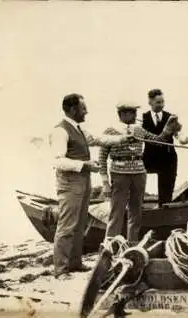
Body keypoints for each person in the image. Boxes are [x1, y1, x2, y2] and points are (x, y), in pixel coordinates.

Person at [50, 93, 129, 280]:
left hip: (83, 182)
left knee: (79, 224)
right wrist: (86, 165)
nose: (86, 112)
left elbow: (99, 140)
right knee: (67, 226)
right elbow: (58, 162)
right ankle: (60, 270)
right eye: (83, 108)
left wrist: (123, 138)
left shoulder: (79, 129)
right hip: (69, 184)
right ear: (72, 109)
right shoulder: (60, 131)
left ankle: (75, 264)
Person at [98, 101, 181, 245]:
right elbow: (102, 157)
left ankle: (132, 245)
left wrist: (168, 127)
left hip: (139, 173)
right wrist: (105, 182)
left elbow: (158, 141)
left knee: (136, 212)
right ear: (122, 114)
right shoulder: (110, 131)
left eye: (134, 112)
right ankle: (109, 247)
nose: (135, 115)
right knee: (116, 212)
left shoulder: (139, 130)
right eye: (131, 112)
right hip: (119, 173)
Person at [142, 89, 188, 206]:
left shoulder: (171, 118)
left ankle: (164, 217)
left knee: (166, 196)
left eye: (163, 102)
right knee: (137, 184)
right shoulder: (142, 118)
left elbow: (181, 139)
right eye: (158, 102)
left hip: (168, 159)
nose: (162, 105)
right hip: (149, 157)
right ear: (150, 102)